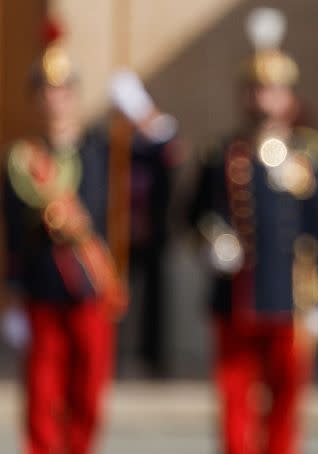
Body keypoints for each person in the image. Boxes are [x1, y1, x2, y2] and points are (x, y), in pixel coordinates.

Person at [1, 22, 176, 454]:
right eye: (47, 91)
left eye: (63, 91)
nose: (56, 100)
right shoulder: (24, 160)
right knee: (42, 399)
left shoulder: (103, 149)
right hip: (42, 291)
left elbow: (165, 158)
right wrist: (12, 297)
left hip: (92, 287)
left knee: (87, 399)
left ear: (75, 95)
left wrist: (139, 109)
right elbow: (13, 236)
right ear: (37, 98)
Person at [188, 7, 318, 454]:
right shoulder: (220, 154)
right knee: (234, 395)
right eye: (255, 89)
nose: (263, 98)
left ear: (288, 97)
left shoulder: (310, 155)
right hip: (236, 294)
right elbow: (194, 214)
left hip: (294, 295)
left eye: (273, 90)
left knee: (286, 399)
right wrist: (212, 239)